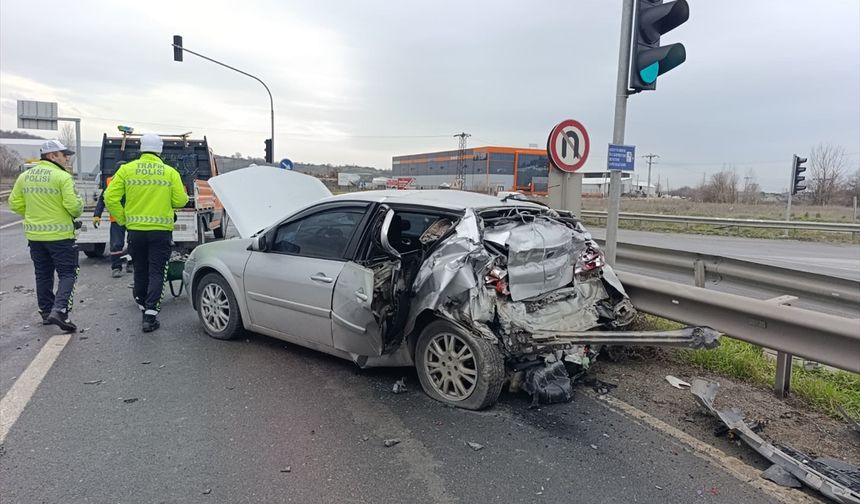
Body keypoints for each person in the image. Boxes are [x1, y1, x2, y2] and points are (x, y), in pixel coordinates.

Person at [104, 133, 188, 332]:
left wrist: (123, 220)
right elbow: (181, 201)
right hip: (161, 232)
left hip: (135, 231)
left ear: (141, 148)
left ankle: (142, 305)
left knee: (140, 270)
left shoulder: (126, 170)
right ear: (159, 150)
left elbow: (110, 197)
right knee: (157, 271)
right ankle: (151, 315)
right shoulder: (169, 172)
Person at [8, 139, 84, 332]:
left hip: (35, 237)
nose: (66, 158)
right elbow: (73, 207)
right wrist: (79, 206)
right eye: (63, 154)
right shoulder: (62, 177)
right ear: (52, 156)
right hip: (60, 236)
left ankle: (46, 312)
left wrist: (34, 215)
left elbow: (14, 203)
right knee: (68, 273)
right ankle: (60, 310)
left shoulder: (25, 176)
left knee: (43, 274)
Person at [92, 173, 133, 277]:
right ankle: (117, 267)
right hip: (120, 218)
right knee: (118, 244)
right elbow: (103, 198)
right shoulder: (111, 181)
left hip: (129, 218)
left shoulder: (132, 181)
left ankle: (129, 264)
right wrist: (97, 214)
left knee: (129, 243)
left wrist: (97, 215)